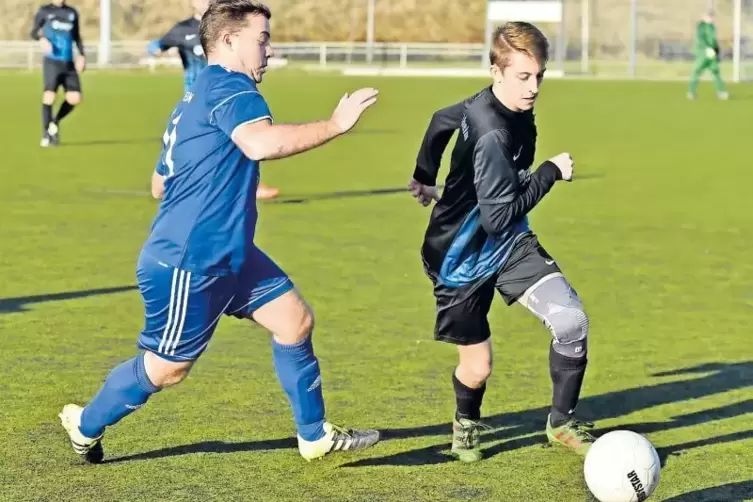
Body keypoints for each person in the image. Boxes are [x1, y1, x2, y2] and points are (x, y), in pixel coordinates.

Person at [59, 0, 380, 464]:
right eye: (262, 39)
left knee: (294, 322)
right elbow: (261, 143)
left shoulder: (197, 91)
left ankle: (314, 436)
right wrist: (335, 125)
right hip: (189, 259)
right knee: (169, 369)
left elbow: (158, 183)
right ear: (229, 40)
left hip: (230, 253)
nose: (269, 50)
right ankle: (85, 423)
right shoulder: (232, 88)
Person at [408, 21, 595, 463]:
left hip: (510, 247)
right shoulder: (493, 132)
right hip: (459, 260)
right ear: (497, 71)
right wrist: (549, 172)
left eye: (538, 77)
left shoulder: (491, 104)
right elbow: (498, 216)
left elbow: (440, 122)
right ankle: (466, 422)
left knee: (572, 322)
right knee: (477, 369)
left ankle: (562, 422)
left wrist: (423, 176)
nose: (532, 88)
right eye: (522, 77)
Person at [147, 0, 280, 200]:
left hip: (229, 92)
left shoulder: (226, 24)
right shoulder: (183, 29)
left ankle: (250, 185)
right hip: (199, 95)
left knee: (239, 139)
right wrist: (154, 48)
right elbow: (157, 45)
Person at [30, 0, 86, 147]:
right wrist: (41, 39)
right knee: (49, 96)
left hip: (68, 63)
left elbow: (76, 36)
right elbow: (34, 31)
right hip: (52, 62)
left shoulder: (72, 13)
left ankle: (54, 122)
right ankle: (46, 135)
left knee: (75, 98)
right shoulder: (45, 11)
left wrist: (81, 55)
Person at [688, 11, 729, 100]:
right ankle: (691, 92)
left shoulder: (712, 27)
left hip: (711, 54)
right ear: (704, 17)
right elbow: (700, 39)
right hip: (703, 53)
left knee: (715, 72)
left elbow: (714, 40)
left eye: (712, 17)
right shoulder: (701, 26)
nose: (712, 18)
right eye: (709, 17)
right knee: (696, 72)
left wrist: (716, 51)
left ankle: (721, 92)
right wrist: (706, 48)